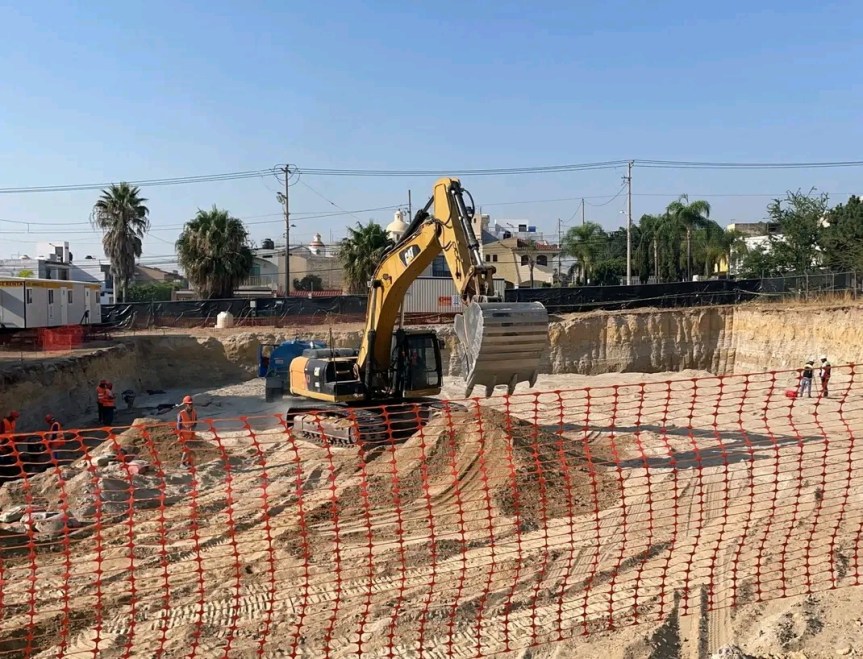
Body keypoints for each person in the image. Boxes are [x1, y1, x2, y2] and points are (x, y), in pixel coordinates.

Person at [1, 411, 21, 483]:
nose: (15, 419)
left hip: (12, 443)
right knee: (7, 460)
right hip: (5, 444)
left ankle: (18, 473)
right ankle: (8, 477)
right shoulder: (3, 422)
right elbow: (1, 435)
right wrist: (3, 445)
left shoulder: (13, 422)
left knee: (17, 457)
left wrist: (17, 439)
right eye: (15, 417)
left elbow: (12, 432)